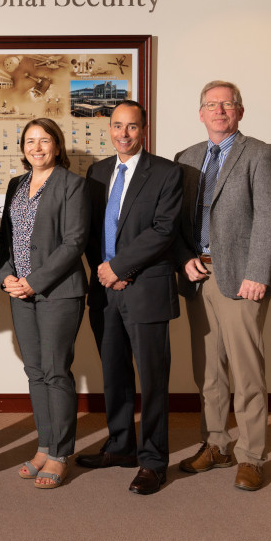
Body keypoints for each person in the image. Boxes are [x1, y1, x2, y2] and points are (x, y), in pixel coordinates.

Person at [175, 81, 271, 491]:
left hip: (243, 277)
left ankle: (252, 456)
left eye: (227, 104)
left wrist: (257, 272)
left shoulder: (260, 154)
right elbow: (178, 221)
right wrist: (183, 257)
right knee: (207, 371)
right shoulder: (185, 158)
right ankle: (217, 444)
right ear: (200, 112)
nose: (219, 110)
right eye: (211, 104)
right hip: (198, 275)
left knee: (246, 372)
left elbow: (270, 216)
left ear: (239, 111)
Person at [78, 100, 182, 495]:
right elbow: (89, 231)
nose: (124, 134)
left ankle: (154, 460)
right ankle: (121, 445)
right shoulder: (98, 171)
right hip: (105, 290)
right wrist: (104, 272)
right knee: (114, 373)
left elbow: (163, 231)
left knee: (153, 379)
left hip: (145, 288)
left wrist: (120, 268)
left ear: (144, 129)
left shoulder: (167, 172)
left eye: (132, 127)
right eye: (117, 126)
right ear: (109, 129)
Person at [0, 117, 89, 489]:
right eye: (30, 141)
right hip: (18, 292)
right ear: (22, 148)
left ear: (57, 145)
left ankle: (61, 453)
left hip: (57, 292)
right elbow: (6, 237)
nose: (37, 147)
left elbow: (74, 242)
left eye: (44, 140)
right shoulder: (16, 185)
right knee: (34, 372)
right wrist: (6, 276)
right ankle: (45, 444)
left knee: (55, 371)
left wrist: (33, 283)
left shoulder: (72, 185)